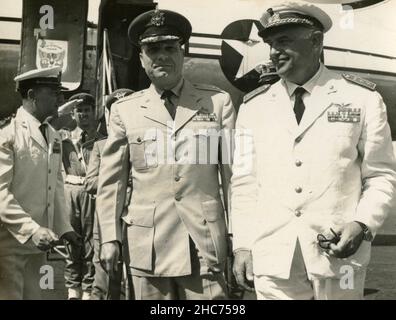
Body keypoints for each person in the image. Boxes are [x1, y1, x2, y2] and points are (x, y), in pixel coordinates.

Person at [231, 1, 396, 300]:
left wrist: (362, 224)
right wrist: (241, 244)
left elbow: (381, 175)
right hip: (273, 258)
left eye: (284, 42)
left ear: (316, 42)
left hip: (338, 257)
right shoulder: (253, 107)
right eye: (270, 44)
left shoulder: (362, 99)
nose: (273, 52)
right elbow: (243, 183)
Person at [96, 9, 236, 300]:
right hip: (148, 248)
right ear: (142, 59)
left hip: (204, 244)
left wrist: (237, 236)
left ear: (182, 53)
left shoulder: (217, 103)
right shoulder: (125, 111)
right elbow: (111, 183)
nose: (162, 56)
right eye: (153, 49)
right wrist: (110, 237)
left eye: (170, 48)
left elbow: (232, 177)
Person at [0, 67, 79, 300]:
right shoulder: (8, 135)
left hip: (40, 246)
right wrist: (32, 230)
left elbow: (55, 186)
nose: (60, 99)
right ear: (33, 95)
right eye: (54, 92)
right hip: (9, 245)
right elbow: (0, 193)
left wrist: (65, 228)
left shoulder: (53, 134)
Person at [85, 88, 134, 300]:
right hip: (107, 218)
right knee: (104, 280)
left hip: (137, 218)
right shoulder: (100, 146)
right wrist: (119, 183)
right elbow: (91, 182)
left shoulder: (148, 142)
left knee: (138, 280)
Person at [61, 93, 105, 300]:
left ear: (94, 112)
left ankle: (88, 289)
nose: (83, 114)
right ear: (73, 113)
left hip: (91, 193)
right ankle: (72, 290)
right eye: (79, 111)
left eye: (87, 110)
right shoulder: (65, 138)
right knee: (71, 239)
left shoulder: (102, 139)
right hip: (70, 190)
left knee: (90, 243)